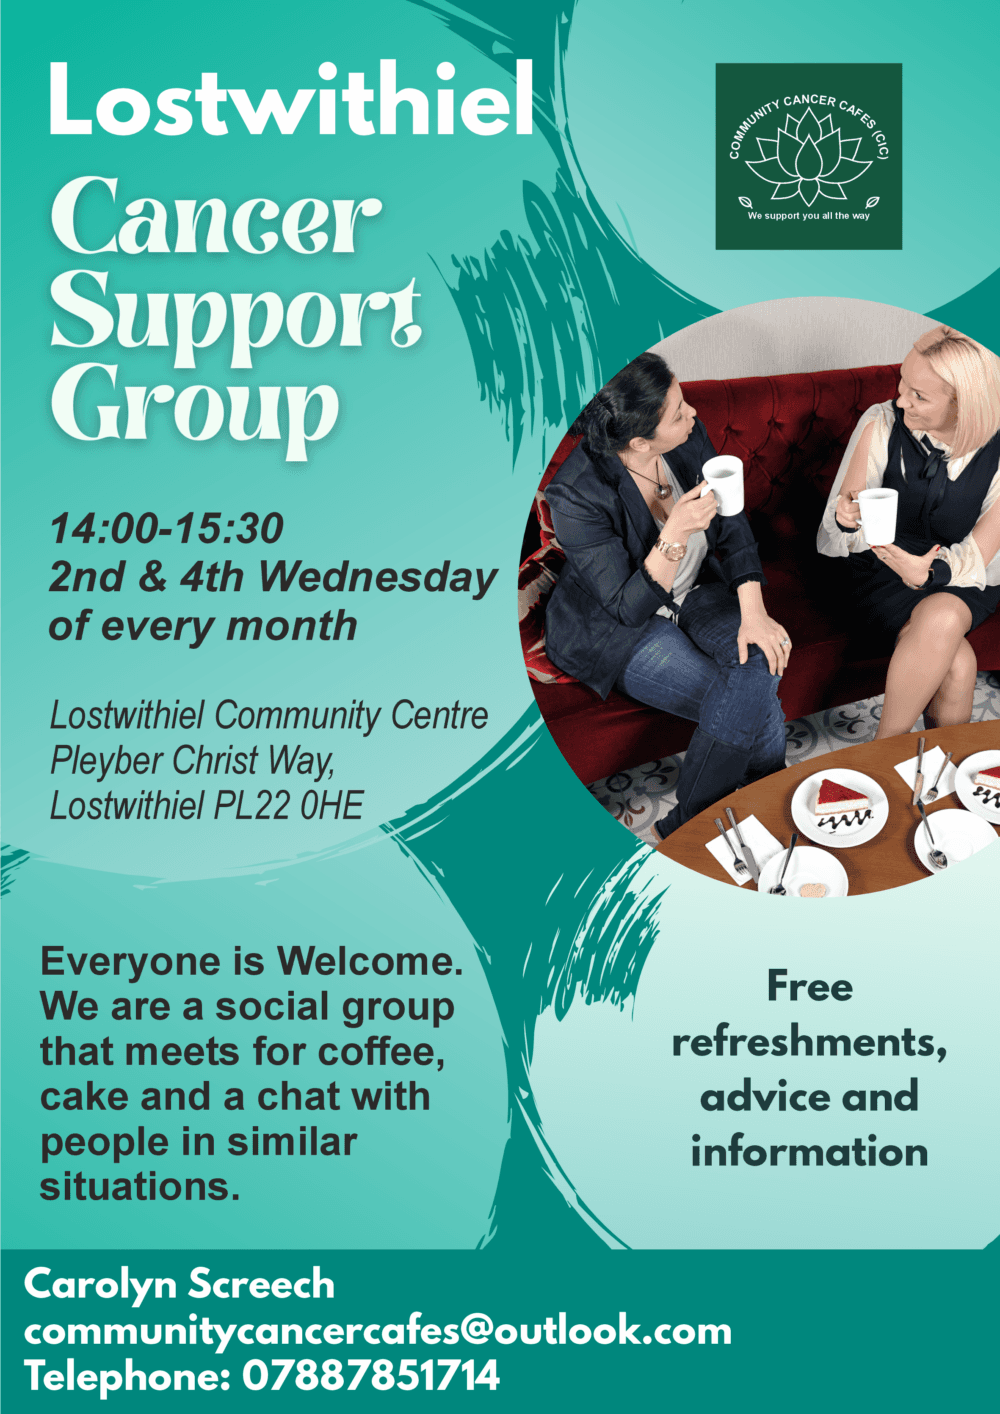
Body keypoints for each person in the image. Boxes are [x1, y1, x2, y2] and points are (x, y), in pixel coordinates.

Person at [544, 351, 790, 840]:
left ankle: (685, 824)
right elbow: (626, 606)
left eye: (683, 402)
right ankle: (770, 797)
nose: (693, 415)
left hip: (699, 588)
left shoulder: (686, 435)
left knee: (758, 661)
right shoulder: (575, 494)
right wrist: (673, 532)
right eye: (678, 413)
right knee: (753, 703)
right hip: (621, 626)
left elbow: (732, 522)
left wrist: (754, 611)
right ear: (639, 441)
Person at [818, 326, 1000, 738]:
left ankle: (881, 754)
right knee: (958, 663)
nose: (901, 400)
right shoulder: (882, 422)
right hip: (878, 568)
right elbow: (841, 525)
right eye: (903, 382)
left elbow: (978, 556)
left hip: (961, 575)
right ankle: (917, 771)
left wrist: (929, 573)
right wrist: (848, 517)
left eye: (919, 395)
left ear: (964, 403)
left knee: (947, 613)